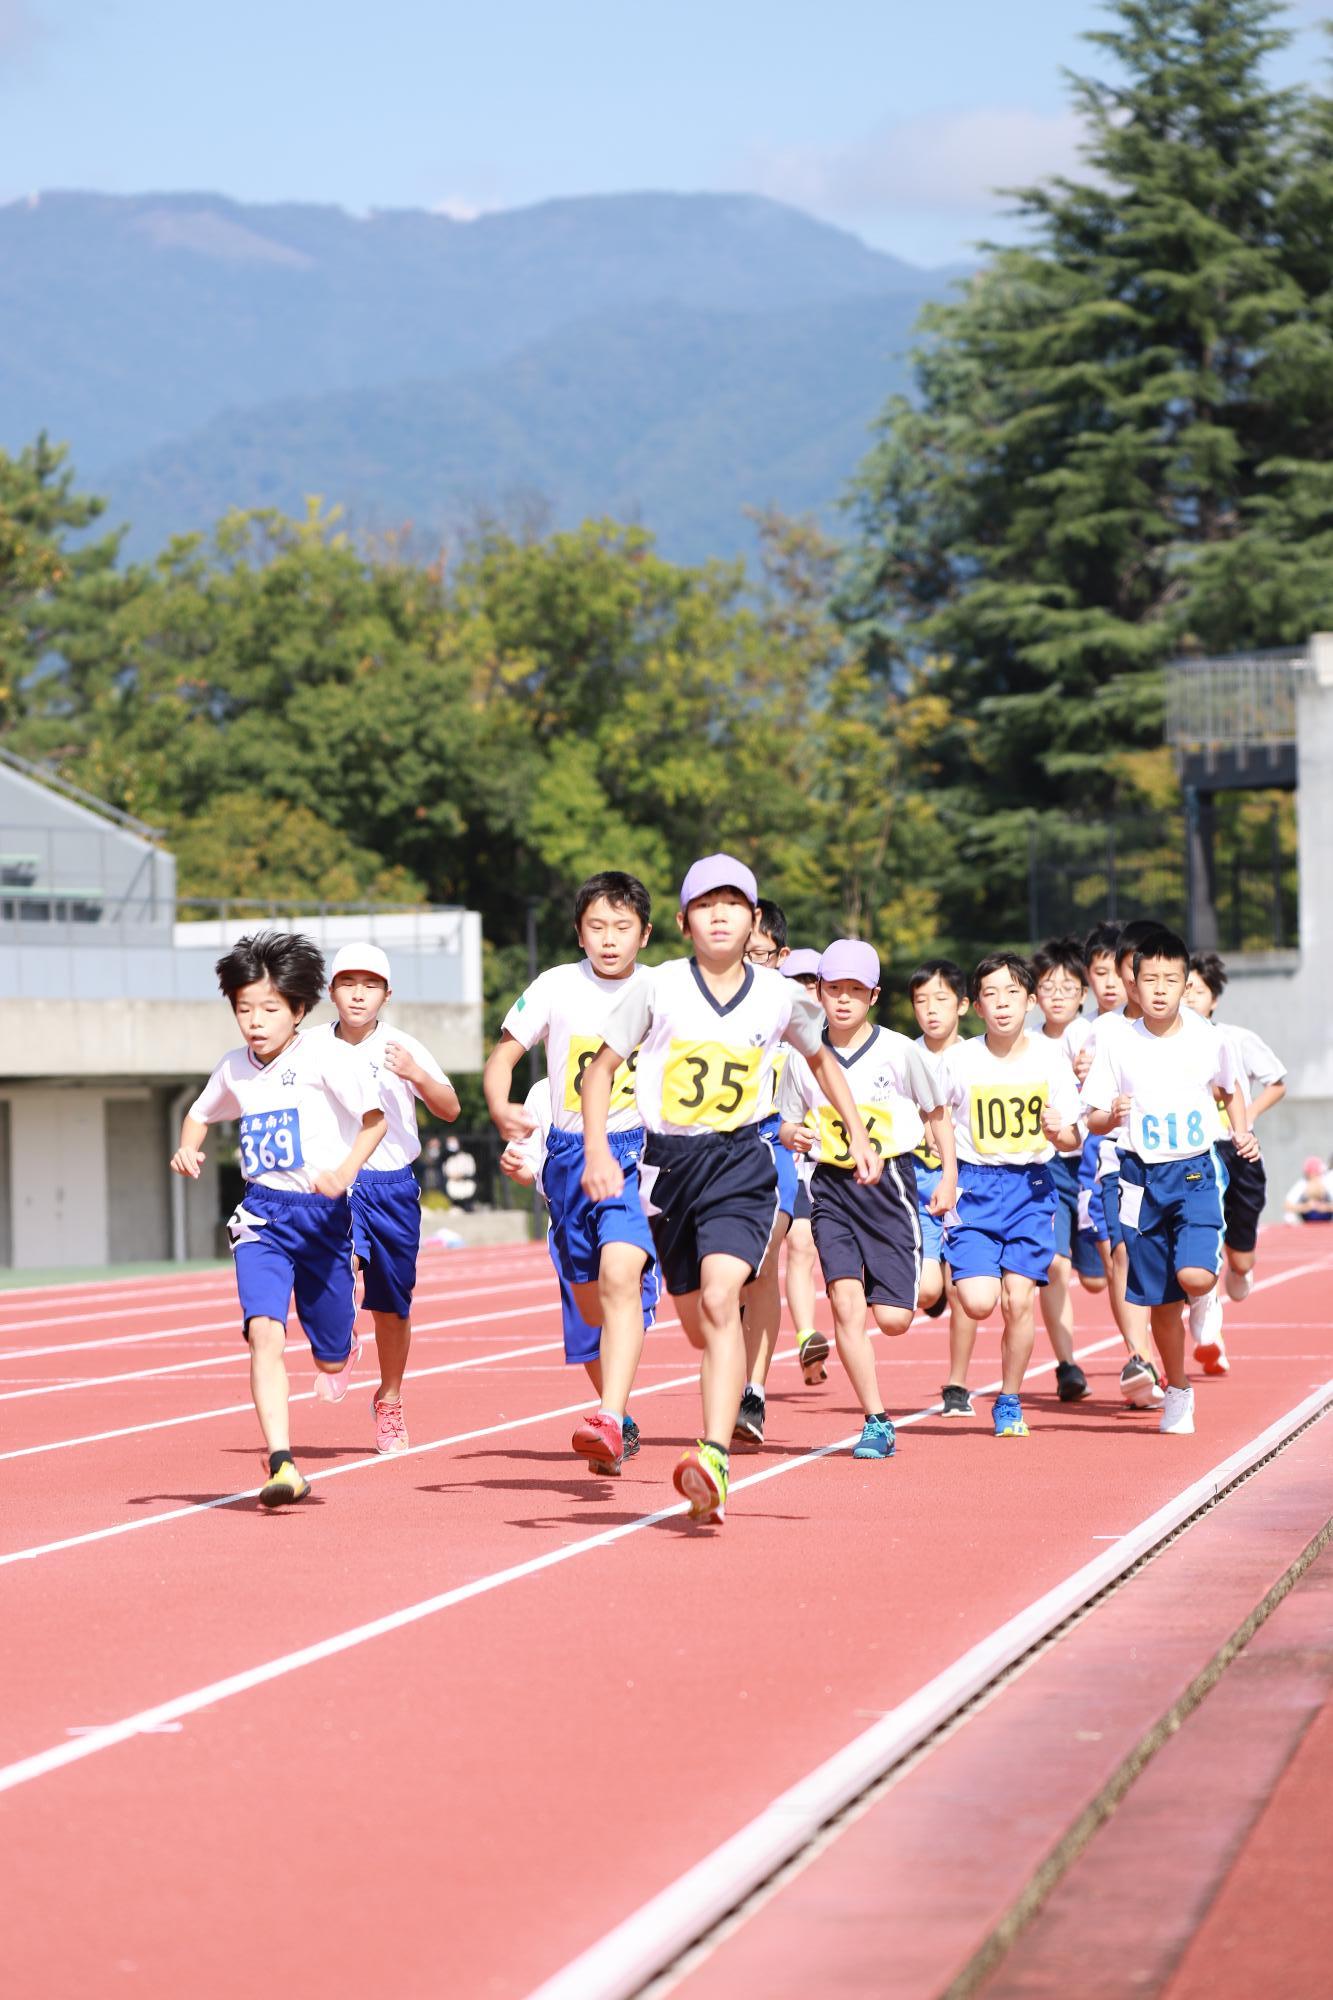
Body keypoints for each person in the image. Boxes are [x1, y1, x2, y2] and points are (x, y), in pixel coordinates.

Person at [580, 854, 881, 1525]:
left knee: (723, 1298)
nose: (719, 915)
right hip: (668, 1167)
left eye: (733, 904)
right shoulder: (656, 989)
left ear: (752, 921)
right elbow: (597, 1074)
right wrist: (597, 1149)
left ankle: (711, 1456)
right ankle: (716, 1413)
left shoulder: (779, 997)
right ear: (685, 921)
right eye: (706, 905)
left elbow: (820, 1060)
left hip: (741, 1161)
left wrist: (856, 1134)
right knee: (696, 1321)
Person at [170, 930, 387, 1507]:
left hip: (322, 1219)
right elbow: (198, 1115)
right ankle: (282, 1462)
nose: (255, 1021)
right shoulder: (233, 1069)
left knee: (330, 1354)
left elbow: (374, 1122)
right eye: (244, 1009)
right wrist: (190, 1146)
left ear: (298, 1009)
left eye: (269, 1009)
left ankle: (342, 1346)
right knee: (263, 1333)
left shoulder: (325, 1057)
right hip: (261, 1217)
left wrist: (343, 1174)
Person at [483, 871, 656, 1478]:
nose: (609, 939)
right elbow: (504, 1055)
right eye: (597, 927)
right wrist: (501, 1105)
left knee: (619, 1274)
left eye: (622, 927)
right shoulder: (556, 985)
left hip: (635, 1150)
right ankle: (619, 1414)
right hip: (565, 1154)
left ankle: (606, 1415)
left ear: (645, 933)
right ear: (579, 933)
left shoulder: (661, 992)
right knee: (590, 1308)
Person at [777, 939, 956, 1459]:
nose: (844, 1000)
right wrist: (795, 1136)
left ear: (874, 996)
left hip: (890, 1187)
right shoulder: (801, 1057)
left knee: (895, 1320)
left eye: (856, 991)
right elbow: (785, 1120)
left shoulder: (900, 1050)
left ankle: (924, 1284)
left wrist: (947, 1176)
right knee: (844, 1304)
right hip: (831, 1187)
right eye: (834, 989)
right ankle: (876, 1420)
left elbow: (936, 1112)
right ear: (820, 994)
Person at [1084, 927, 1258, 1436]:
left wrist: (1242, 1132)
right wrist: (1109, 1115)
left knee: (1195, 1277)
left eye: (1171, 979)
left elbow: (1231, 1091)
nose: (1160, 988)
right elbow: (1092, 1118)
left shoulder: (1209, 1038)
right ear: (1132, 985)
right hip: (1138, 1178)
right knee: (1159, 1300)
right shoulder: (1117, 1043)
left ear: (1187, 985)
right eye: (1150, 979)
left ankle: (1205, 1291)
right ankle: (1178, 1390)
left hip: (1194, 1170)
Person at [311, 943, 460, 1454]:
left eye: (369, 985)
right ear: (331, 991)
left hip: (393, 1186)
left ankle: (389, 1400)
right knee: (338, 1265)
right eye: (347, 983)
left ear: (386, 994)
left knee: (392, 1308)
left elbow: (450, 1109)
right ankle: (339, 1336)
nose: (358, 994)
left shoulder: (403, 1045)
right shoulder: (308, 1046)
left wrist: (417, 1074)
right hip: (335, 1182)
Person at [936, 953, 1082, 1438]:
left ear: (1031, 1001)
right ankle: (971, 1268)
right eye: (991, 995)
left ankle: (1009, 1399)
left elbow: (1073, 1137)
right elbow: (934, 1116)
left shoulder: (1049, 1057)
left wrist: (1060, 1130)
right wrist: (948, 1173)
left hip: (1032, 1187)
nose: (1002, 1004)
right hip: (975, 1187)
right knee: (978, 1302)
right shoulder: (958, 1060)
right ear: (976, 1006)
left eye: (1012, 993)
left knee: (1018, 1301)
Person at [499, 1075, 658, 1455]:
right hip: (570, 1219)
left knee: (624, 1296)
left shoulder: (639, 1073)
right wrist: (515, 1165)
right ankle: (618, 1414)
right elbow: (529, 1165)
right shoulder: (543, 1092)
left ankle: (612, 1416)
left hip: (625, 1199)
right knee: (590, 1331)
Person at [1183, 950, 1287, 1375]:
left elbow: (1276, 1082)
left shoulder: (1235, 1039)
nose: (1187, 997)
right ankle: (1211, 1334)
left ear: (1214, 998)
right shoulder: (1164, 1043)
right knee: (1204, 1244)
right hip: (1197, 1153)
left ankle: (1241, 1265)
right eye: (1181, 987)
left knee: (1239, 1260)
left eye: (1196, 990)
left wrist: (1248, 1119)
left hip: (1237, 1150)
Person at [1081, 917, 1167, 1408]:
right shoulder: (1106, 1030)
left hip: (1175, 1163)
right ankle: (1139, 1357)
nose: (1130, 981)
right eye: (1125, 971)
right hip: (1117, 1157)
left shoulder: (1185, 1028)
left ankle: (1167, 1348)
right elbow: (1090, 1101)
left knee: (1167, 1266)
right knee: (1120, 1253)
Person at [735, 900, 800, 1445]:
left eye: (758, 954)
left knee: (763, 1262)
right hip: (709, 1154)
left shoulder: (794, 1007)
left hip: (773, 1150)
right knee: (721, 1276)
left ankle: (753, 1390)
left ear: (780, 955)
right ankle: (733, 1375)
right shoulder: (704, 999)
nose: (748, 963)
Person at [1030, 937, 1104, 1402]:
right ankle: (1067, 1366)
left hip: (1095, 1162)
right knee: (1055, 1267)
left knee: (1098, 1277)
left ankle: (1141, 1355)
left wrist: (1091, 1071)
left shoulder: (1100, 1037)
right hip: (1050, 1165)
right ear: (1035, 996)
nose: (1057, 994)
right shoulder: (1028, 1044)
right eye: (1047, 986)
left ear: (1083, 994)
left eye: (1067, 986)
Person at [777, 950, 825, 1384]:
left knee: (804, 1244)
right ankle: (805, 1335)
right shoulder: (765, 1035)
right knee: (793, 1245)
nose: (806, 991)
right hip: (767, 1157)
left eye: (813, 983)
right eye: (797, 983)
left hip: (820, 1161)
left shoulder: (835, 1040)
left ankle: (808, 1336)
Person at [1284, 1157, 1333, 1223]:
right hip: (1308, 1219)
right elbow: (1287, 1205)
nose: (1314, 1176)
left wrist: (1325, 1207)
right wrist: (1306, 1207)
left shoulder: (1327, 1182)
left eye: (1317, 1173)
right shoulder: (1302, 1184)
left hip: (1327, 1219)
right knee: (1289, 1216)